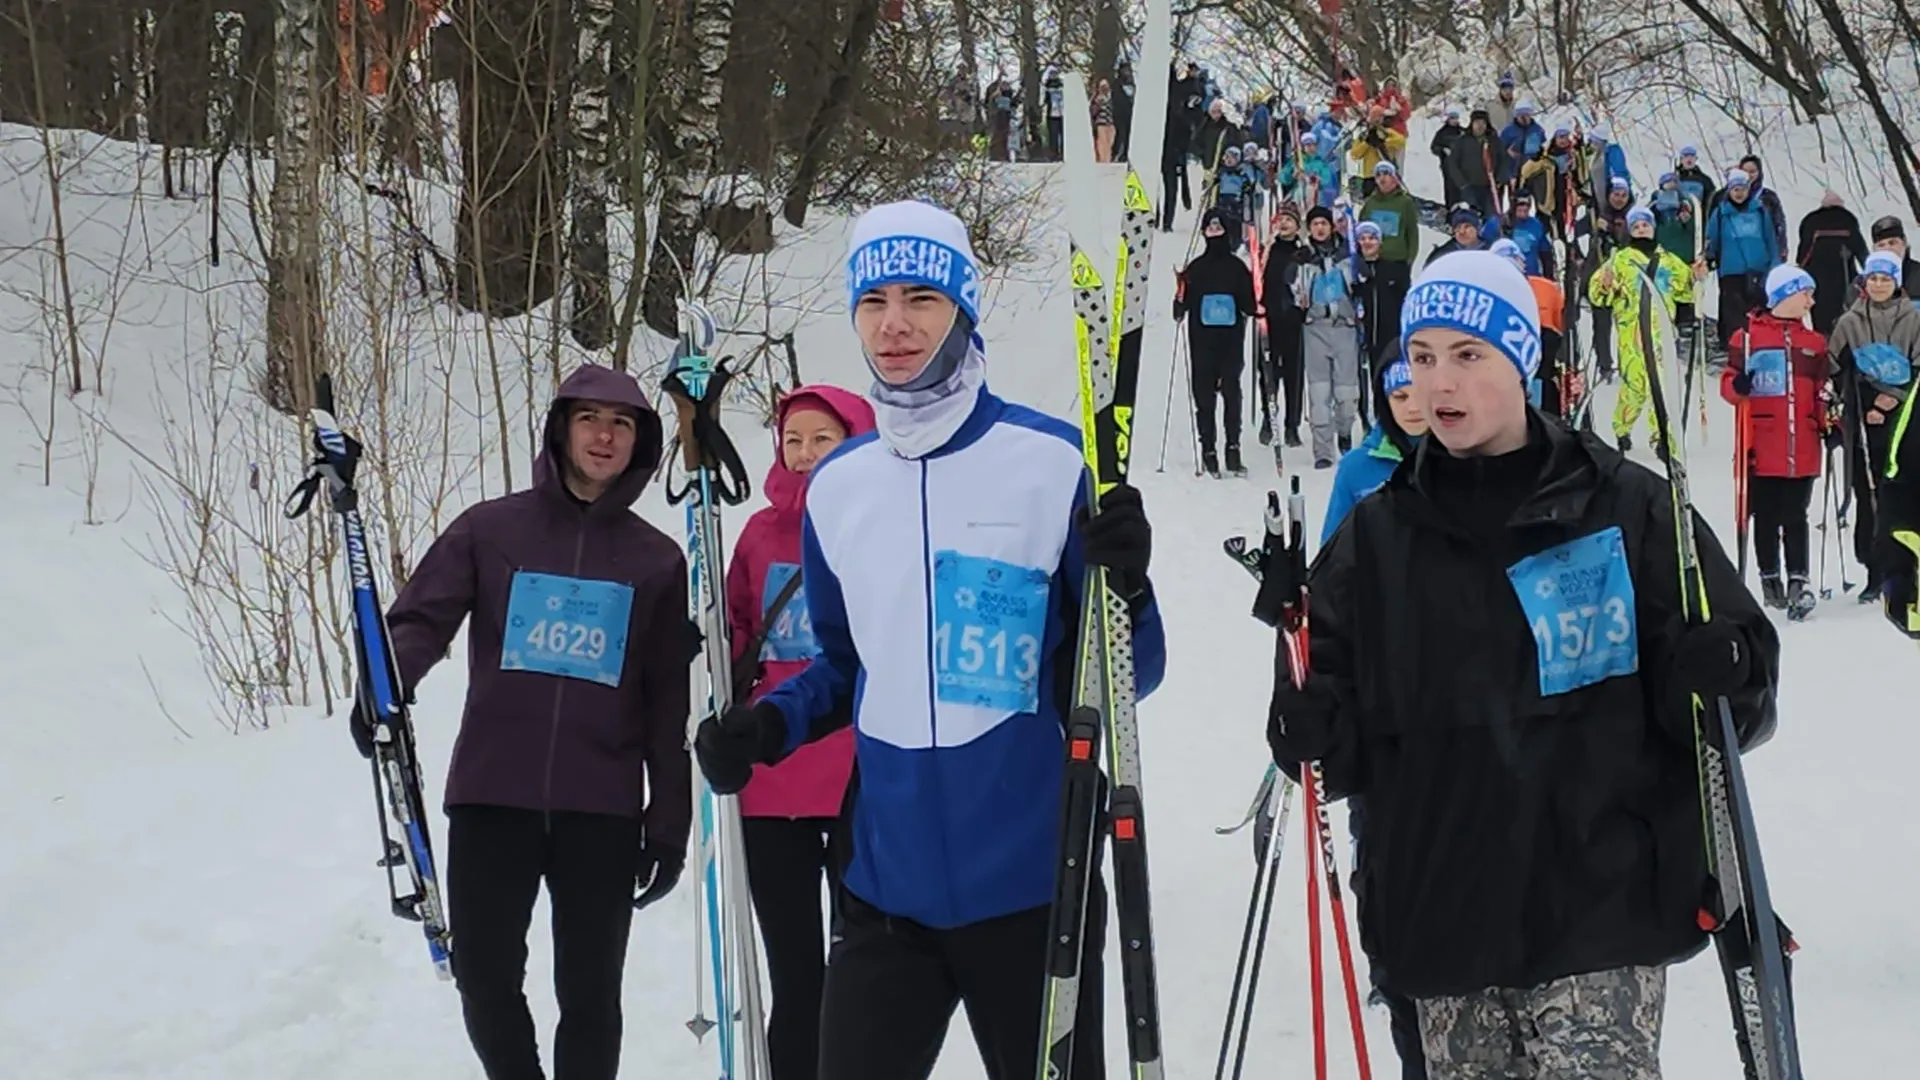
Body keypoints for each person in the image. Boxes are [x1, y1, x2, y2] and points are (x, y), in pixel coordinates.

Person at [1267, 248, 1780, 1080]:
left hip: (1598, 918)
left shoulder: (1628, 509)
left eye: (1468, 357)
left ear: (1523, 363)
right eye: (1422, 359)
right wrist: (1303, 724)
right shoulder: (1374, 541)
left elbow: (1739, 698)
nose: (1441, 385)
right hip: (1442, 923)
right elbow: (1328, 744)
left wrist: (1722, 667)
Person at [692, 200, 1166, 1080]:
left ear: (964, 309)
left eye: (922, 297)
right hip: (885, 893)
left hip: (1033, 887)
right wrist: (766, 728)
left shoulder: (1053, 462)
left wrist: (1128, 582)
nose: (896, 324)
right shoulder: (839, 486)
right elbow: (843, 667)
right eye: (874, 301)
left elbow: (1129, 672)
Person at [354, 365, 692, 1080]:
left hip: (599, 807)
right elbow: (420, 620)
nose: (604, 435)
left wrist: (668, 821)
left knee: (592, 993)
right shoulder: (490, 530)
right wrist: (385, 689)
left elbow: (668, 701)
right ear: (561, 428)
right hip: (492, 795)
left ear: (641, 441)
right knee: (484, 976)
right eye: (590, 418)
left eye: (623, 423)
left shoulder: (657, 562)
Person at [724, 385, 876, 1080]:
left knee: (864, 968)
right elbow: (739, 630)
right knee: (795, 973)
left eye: (824, 438)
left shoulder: (885, 521)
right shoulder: (759, 535)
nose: (807, 453)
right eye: (795, 440)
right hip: (772, 782)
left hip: (858, 779)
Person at [1723, 265, 1834, 619]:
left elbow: (1821, 389)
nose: (1811, 301)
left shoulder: (1814, 343)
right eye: (1806, 293)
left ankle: (1798, 579)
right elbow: (1729, 381)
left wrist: (1829, 422)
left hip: (1802, 442)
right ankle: (1769, 575)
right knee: (1767, 514)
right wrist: (1736, 386)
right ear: (1786, 295)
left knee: (1796, 513)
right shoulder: (1748, 337)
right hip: (1763, 442)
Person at [1827, 249, 1920, 604]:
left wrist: (1891, 399)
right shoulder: (1849, 320)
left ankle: (1904, 567)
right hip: (1861, 415)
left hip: (1903, 415)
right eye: (1873, 278)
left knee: (1898, 491)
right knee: (1866, 492)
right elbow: (1833, 366)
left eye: (1886, 278)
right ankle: (1872, 568)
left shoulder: (1913, 319)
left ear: (1897, 282)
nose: (1879, 284)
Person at [1589, 206, 1695, 456]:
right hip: (1632, 334)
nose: (1641, 229)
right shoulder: (1620, 260)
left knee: (1660, 386)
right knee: (1635, 387)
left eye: (1645, 225)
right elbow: (1598, 296)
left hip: (1662, 334)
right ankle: (1622, 428)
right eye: (1636, 226)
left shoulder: (1668, 260)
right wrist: (1604, 287)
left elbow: (1685, 289)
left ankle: (1661, 438)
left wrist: (1695, 277)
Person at [1176, 208, 1258, 476]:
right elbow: (1179, 310)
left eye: (1218, 228)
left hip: (1231, 341)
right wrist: (1179, 298)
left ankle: (1233, 448)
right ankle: (1208, 449)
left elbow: (1249, 305)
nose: (1214, 233)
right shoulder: (1195, 268)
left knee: (1232, 394)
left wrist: (1257, 305)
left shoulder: (1237, 267)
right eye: (1209, 229)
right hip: (1202, 342)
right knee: (1204, 397)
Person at [1286, 205, 1363, 468]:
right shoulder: (1302, 258)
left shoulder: (1347, 254)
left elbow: (1360, 282)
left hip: (1344, 327)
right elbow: (1294, 292)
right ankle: (1323, 451)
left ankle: (1344, 430)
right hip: (1316, 328)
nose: (1320, 228)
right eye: (1315, 224)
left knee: (1346, 394)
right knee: (1319, 393)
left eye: (1324, 223)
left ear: (1332, 227)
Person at [1703, 169, 1783, 348]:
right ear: (1729, 191)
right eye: (1735, 189)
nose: (1739, 194)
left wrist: (1775, 262)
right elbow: (1712, 237)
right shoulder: (1721, 213)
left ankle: (1759, 344)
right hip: (1731, 269)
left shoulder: (1761, 211)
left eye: (1743, 189)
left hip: (1758, 268)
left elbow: (1769, 237)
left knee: (1758, 310)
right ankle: (1735, 346)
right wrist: (1709, 256)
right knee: (1734, 312)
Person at [1263, 203, 1311, 448]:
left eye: (1289, 220)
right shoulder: (1267, 251)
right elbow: (1258, 281)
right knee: (1269, 371)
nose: (1284, 224)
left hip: (1293, 320)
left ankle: (1292, 424)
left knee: (1293, 372)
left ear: (1297, 225)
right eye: (1281, 219)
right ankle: (1267, 417)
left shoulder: (1303, 252)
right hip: (1270, 317)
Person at [1796, 192, 1868, 335]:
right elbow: (1859, 247)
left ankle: (1823, 340)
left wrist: (1800, 267)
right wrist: (1870, 268)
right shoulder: (1848, 219)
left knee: (1820, 313)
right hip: (1843, 272)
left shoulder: (1811, 220)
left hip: (1817, 275)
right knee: (1844, 309)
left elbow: (1805, 250)